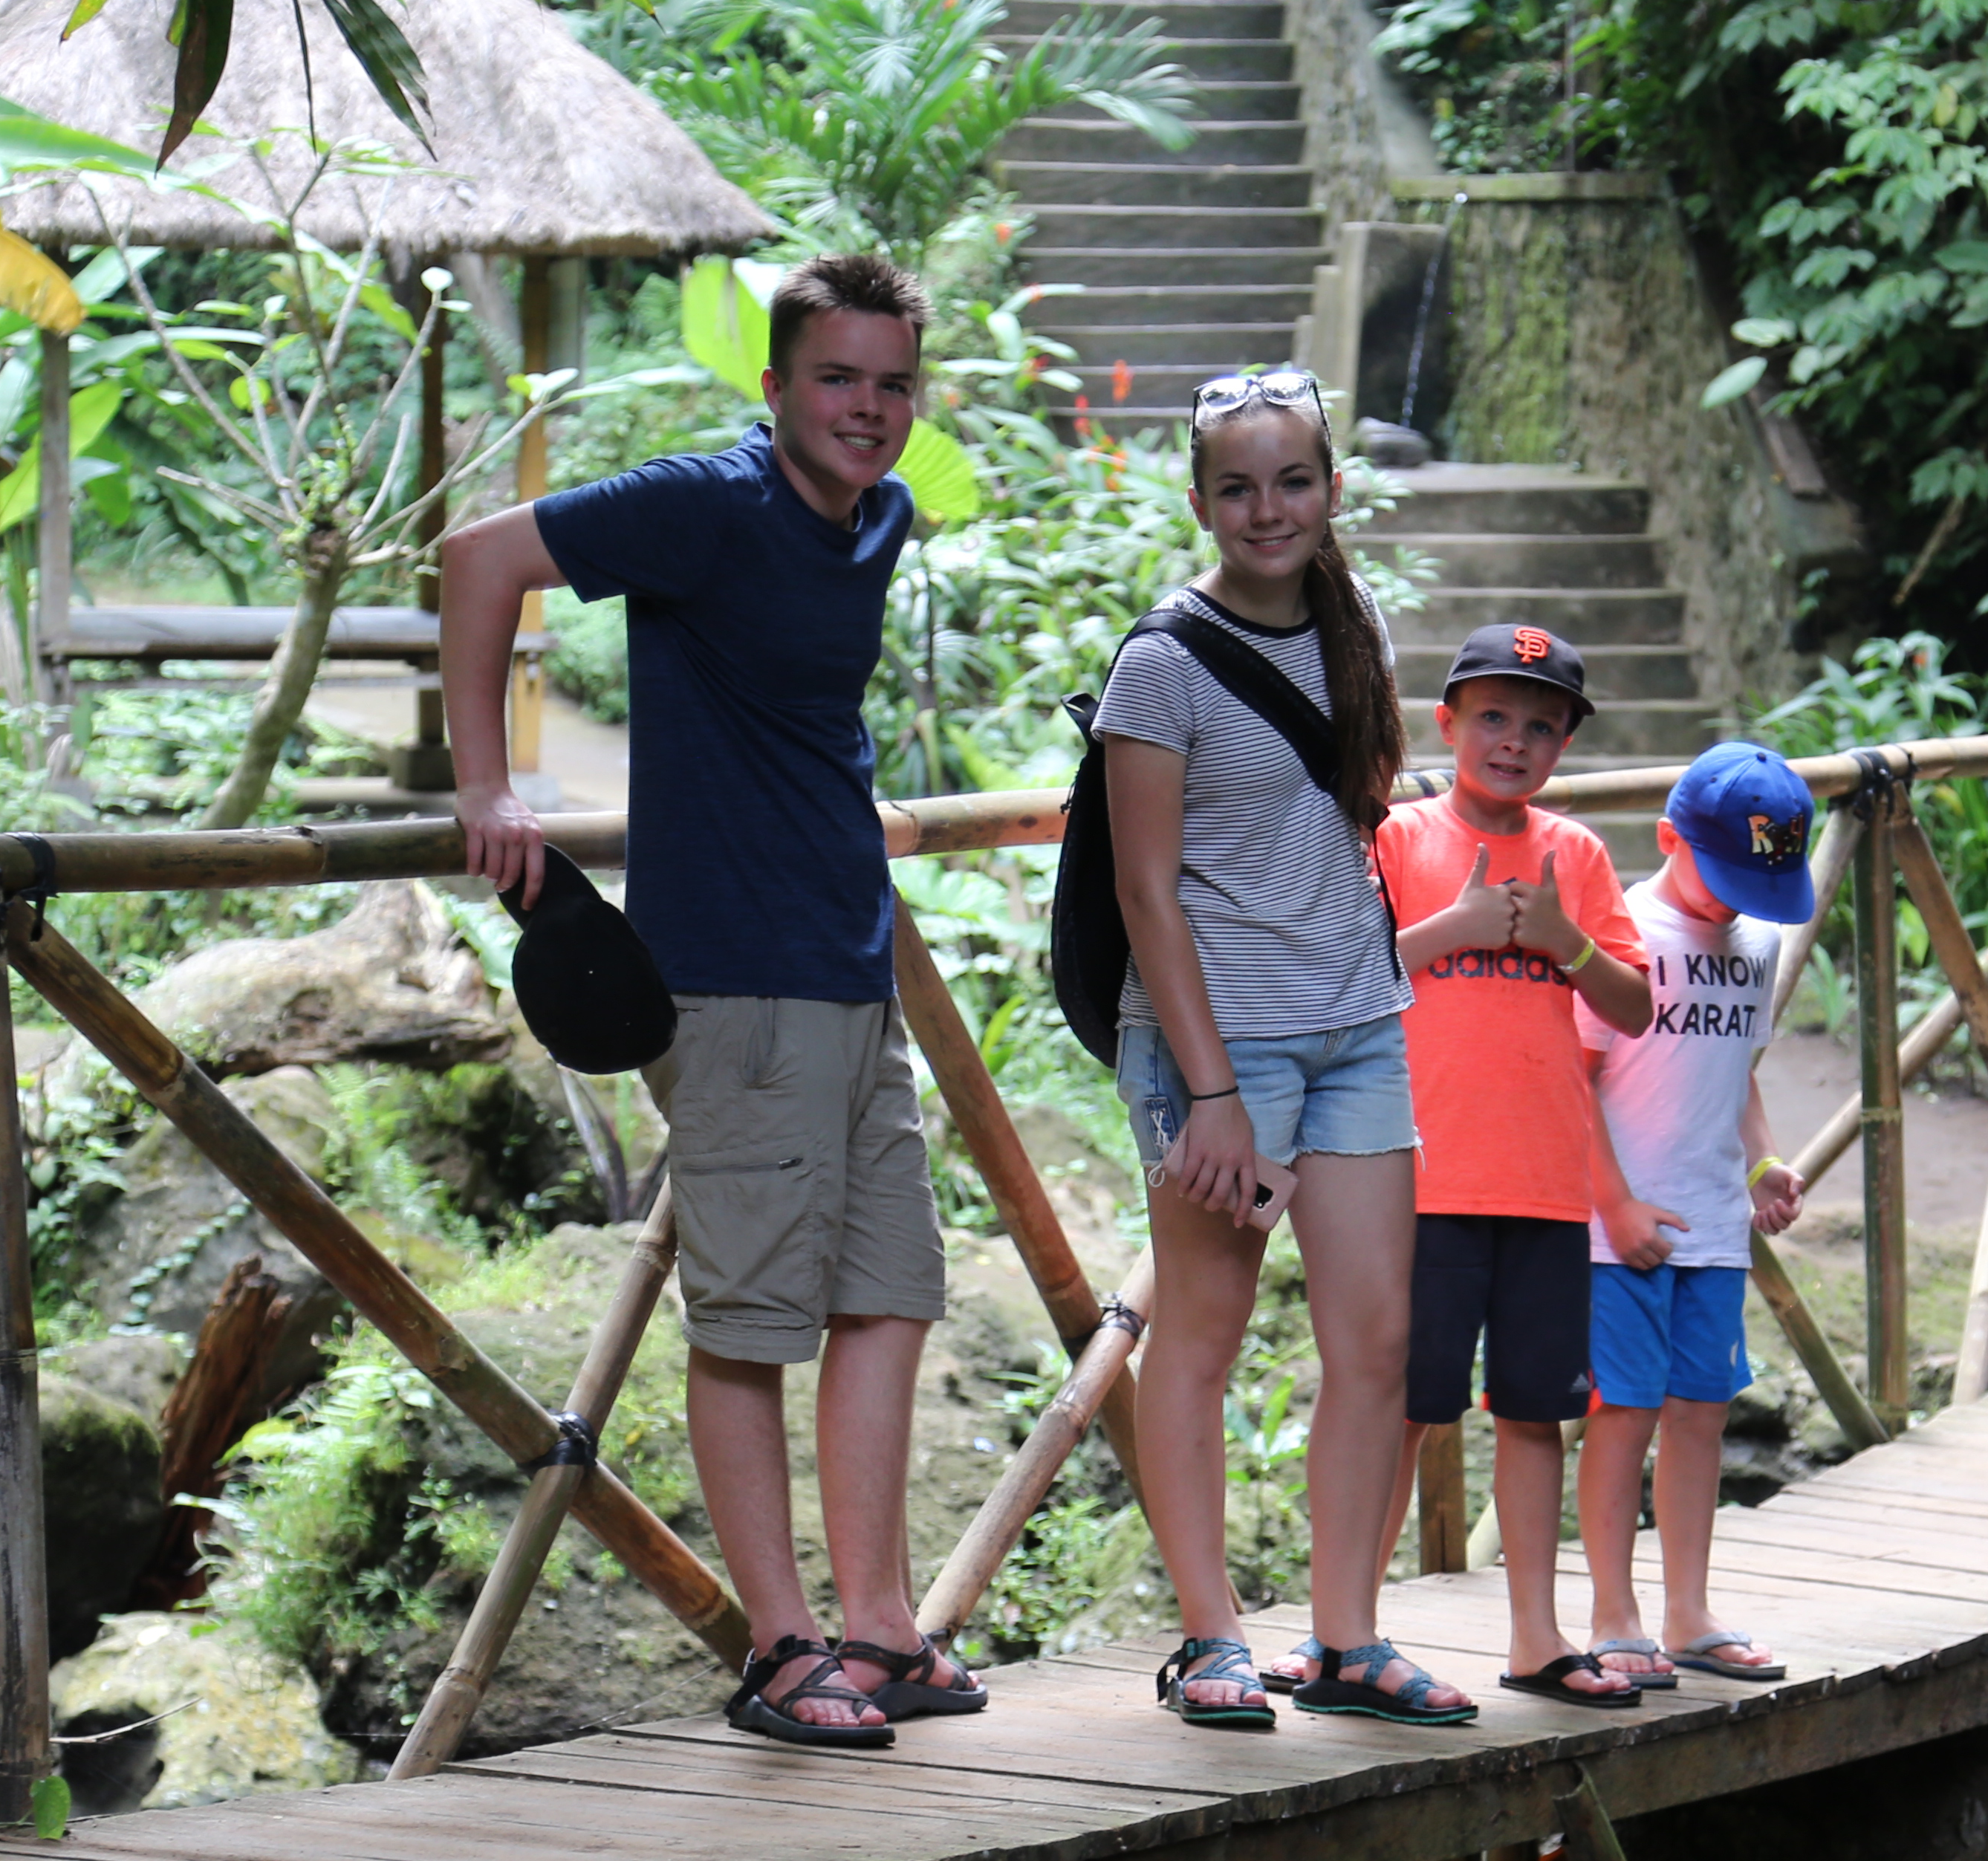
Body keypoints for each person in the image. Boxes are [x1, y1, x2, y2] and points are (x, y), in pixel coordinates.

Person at [435, 251, 983, 1750]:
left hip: (851, 960)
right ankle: (780, 1646)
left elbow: (798, 703)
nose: (866, 408)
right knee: (749, 1319)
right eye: (837, 379)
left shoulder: (880, 520)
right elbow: (481, 560)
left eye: (890, 384)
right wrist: (490, 786)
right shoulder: (709, 503)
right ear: (778, 387)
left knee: (888, 1298)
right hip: (734, 975)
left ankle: (878, 1627)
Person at [1097, 368, 1475, 1732]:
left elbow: (1353, 806)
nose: (1269, 509)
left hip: (1358, 1024)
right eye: (1239, 487)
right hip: (1223, 1046)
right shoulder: (1159, 662)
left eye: (1293, 480)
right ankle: (1209, 1636)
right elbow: (1146, 892)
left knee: (1377, 1337)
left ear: (1329, 490)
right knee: (1198, 1335)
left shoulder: (1352, 620)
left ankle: (1344, 1635)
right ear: (1201, 501)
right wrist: (1208, 1098)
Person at [1315, 623, 1655, 1707]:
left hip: (1544, 1183)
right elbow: (1345, 972)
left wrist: (1568, 943)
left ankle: (1537, 1636)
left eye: (1540, 726)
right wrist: (1454, 923)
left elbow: (1636, 1003)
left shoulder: (1579, 858)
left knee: (1533, 1412)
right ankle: (1346, 1632)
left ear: (1562, 747)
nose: (1515, 741)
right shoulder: (1397, 839)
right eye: (1495, 717)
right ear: (1448, 723)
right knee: (1400, 1408)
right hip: (1415, 1178)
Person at [1576, 741, 1820, 1691]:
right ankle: (1613, 1613)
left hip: (1715, 1227)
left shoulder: (1757, 941)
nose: (1735, 901)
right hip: (1619, 1231)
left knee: (1701, 1415)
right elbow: (1579, 1076)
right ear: (1669, 837)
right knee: (1624, 1412)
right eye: (1722, 877)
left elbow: (1738, 1072)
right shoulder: (1625, 931)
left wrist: (1762, 1161)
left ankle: (1688, 1610)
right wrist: (1615, 1202)